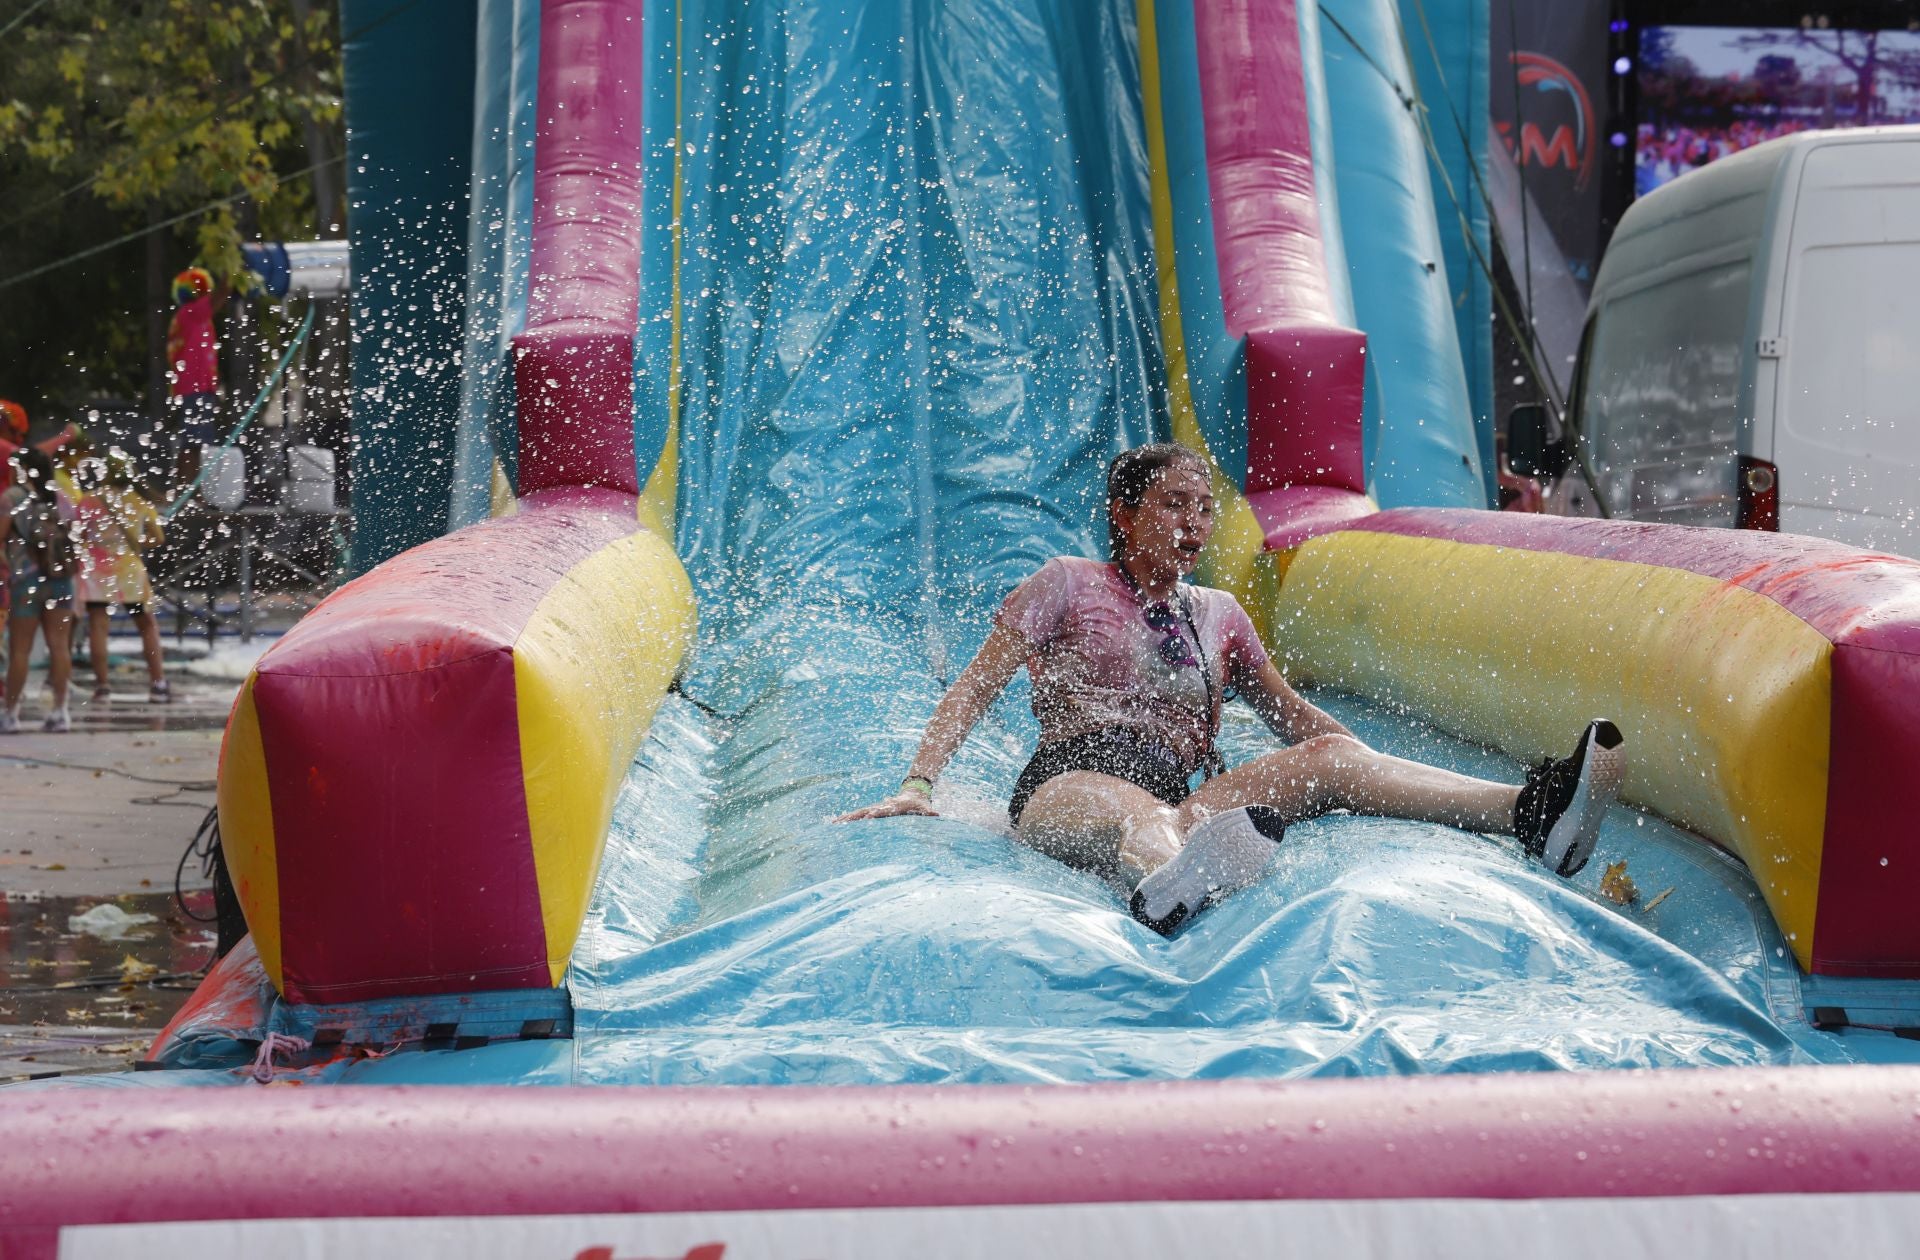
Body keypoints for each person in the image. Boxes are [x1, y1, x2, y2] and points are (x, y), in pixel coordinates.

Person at [838, 443, 1625, 935]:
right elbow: (973, 689)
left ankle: (1530, 811)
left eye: (1204, 508)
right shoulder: (1066, 584)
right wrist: (918, 782)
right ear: (1124, 513)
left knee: (1325, 757)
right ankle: (1162, 890)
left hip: (1186, 809)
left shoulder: (1217, 614)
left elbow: (1297, 721)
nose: (1194, 522)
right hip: (1069, 785)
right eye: (1173, 504)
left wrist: (1357, 765)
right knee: (1145, 817)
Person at [73, 452, 170, 704]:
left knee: (98, 627)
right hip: (129, 571)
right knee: (147, 625)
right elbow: (158, 538)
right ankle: (158, 683)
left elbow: (79, 537)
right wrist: (137, 543)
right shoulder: (139, 502)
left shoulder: (88, 500)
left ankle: (102, 686)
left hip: (96, 572)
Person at [1, 447, 78, 733]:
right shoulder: (61, 499)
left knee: (20, 649)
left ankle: (11, 714)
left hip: (27, 582)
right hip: (61, 580)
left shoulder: (12, 499)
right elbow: (72, 540)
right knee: (59, 647)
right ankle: (61, 712)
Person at [166, 265, 233, 489]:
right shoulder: (192, 313)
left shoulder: (189, 316)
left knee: (193, 441)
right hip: (195, 387)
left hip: (194, 387)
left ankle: (184, 490)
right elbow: (220, 297)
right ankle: (189, 492)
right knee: (194, 442)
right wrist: (229, 270)